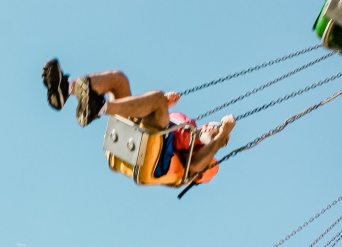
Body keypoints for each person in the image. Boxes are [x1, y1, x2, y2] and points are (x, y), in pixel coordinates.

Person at [42, 59, 235, 181]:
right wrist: (166, 106)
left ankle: (98, 108)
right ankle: (64, 89)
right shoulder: (188, 123)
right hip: (141, 129)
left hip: (155, 154)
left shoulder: (202, 151)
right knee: (119, 79)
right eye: (213, 123)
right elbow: (154, 114)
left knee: (157, 98)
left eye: (215, 128)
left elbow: (194, 167)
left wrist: (222, 133)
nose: (211, 125)